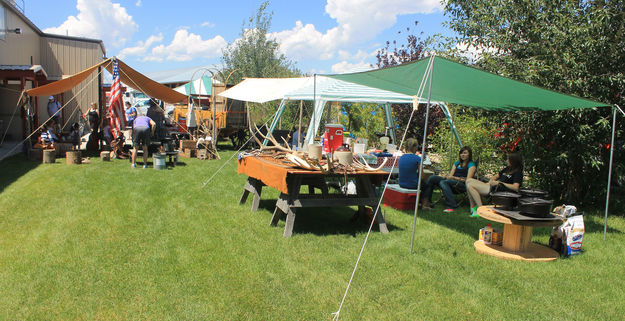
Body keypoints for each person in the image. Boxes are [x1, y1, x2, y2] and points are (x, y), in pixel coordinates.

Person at [466, 152, 523, 217]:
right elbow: (495, 177)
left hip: (501, 191)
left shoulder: (518, 172)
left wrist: (499, 183)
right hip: (493, 186)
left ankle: (480, 210)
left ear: (514, 161)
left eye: (508, 159)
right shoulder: (507, 169)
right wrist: (490, 181)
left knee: (470, 186)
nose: (507, 161)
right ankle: (473, 209)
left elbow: (515, 187)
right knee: (468, 181)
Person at [421, 147, 476, 213]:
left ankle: (452, 206)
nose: (462, 155)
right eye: (461, 153)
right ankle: (427, 202)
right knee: (432, 178)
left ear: (469, 154)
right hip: (451, 182)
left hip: (462, 185)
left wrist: (454, 178)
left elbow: (468, 180)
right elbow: (451, 175)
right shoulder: (457, 163)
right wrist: (447, 176)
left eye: (465, 153)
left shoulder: (471, 165)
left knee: (443, 182)